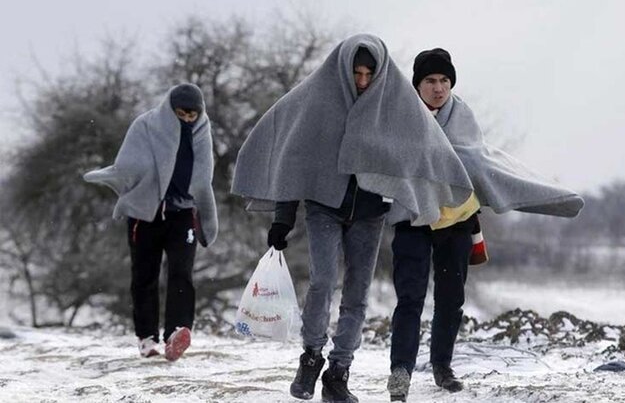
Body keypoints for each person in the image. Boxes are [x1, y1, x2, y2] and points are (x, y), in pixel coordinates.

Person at [232, 34, 474, 403]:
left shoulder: (392, 107)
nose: (362, 81)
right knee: (322, 282)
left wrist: (436, 201)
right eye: (356, 72)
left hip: (370, 213)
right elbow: (291, 159)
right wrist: (283, 218)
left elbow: (428, 152)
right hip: (323, 207)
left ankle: (338, 372)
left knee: (357, 297)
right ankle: (311, 356)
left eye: (368, 74)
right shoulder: (316, 102)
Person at [386, 48, 584, 401]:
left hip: (457, 221)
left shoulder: (462, 116)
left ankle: (442, 367)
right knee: (410, 298)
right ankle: (400, 371)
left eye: (444, 81)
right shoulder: (399, 116)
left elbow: (477, 158)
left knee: (451, 299)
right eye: (430, 81)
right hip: (412, 219)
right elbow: (388, 159)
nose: (438, 88)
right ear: (417, 84)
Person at [84, 83, 218, 361]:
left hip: (183, 212)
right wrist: (113, 176)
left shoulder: (203, 131)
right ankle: (147, 338)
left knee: (182, 272)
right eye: (182, 114)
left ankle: (176, 332)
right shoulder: (145, 125)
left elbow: (204, 179)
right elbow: (128, 165)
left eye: (193, 115)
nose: (187, 120)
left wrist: (207, 215)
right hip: (145, 213)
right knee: (145, 275)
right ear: (170, 109)